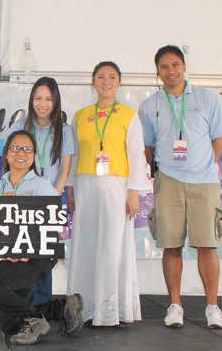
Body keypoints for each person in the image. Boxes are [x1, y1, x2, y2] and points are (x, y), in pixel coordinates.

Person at [139, 45, 222, 329]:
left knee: (207, 245)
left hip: (205, 182)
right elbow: (148, 147)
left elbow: (219, 139)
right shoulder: (149, 105)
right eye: (164, 67)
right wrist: (165, 172)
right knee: (171, 245)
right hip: (169, 183)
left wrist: (203, 165)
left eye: (175, 64)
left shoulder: (206, 98)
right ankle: (175, 305)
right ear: (157, 71)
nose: (170, 71)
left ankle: (212, 307)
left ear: (184, 66)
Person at [0, 130, 82, 346]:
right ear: (6, 154)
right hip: (8, 258)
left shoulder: (42, 187)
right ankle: (61, 309)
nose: (20, 153)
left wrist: (25, 249)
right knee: (9, 326)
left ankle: (34, 319)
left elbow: (56, 226)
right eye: (14, 148)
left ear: (33, 156)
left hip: (36, 257)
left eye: (27, 149)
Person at [66, 61, 151, 328]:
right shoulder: (79, 116)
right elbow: (72, 155)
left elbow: (137, 156)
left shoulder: (129, 115)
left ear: (119, 82)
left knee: (112, 245)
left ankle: (112, 308)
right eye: (101, 76)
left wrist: (134, 193)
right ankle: (84, 308)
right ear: (93, 81)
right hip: (84, 186)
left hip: (116, 188)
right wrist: (69, 188)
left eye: (112, 77)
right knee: (86, 244)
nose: (106, 81)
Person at [8, 77, 74, 305]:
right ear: (31, 100)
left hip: (50, 201)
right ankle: (19, 306)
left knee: (43, 256)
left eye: (48, 98)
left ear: (55, 101)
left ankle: (41, 308)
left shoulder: (65, 131)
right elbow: (10, 164)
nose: (42, 104)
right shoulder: (20, 127)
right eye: (38, 98)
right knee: (20, 254)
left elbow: (65, 169)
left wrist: (51, 199)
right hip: (22, 201)